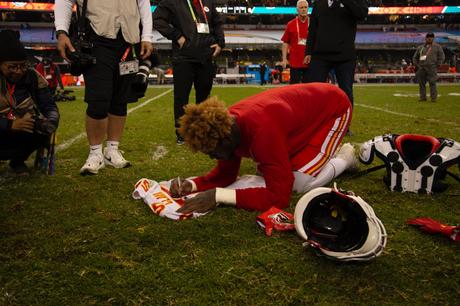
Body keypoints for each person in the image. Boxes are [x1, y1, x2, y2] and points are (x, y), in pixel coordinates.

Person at [169, 83, 358, 213]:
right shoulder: (226, 128)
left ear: (224, 140)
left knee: (299, 183)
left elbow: (279, 197)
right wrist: (193, 185)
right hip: (299, 119)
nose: (212, 157)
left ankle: (345, 157)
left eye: (211, 152)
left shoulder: (261, 131)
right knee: (270, 172)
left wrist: (219, 196)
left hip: (333, 109)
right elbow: (226, 175)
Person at [54, 0, 154, 175]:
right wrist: (61, 32)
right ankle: (95, 153)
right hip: (96, 38)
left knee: (120, 100)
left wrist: (146, 36)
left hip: (128, 40)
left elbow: (143, 3)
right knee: (98, 100)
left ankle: (112, 150)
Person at [153, 0, 225, 145]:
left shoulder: (208, 1)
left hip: (206, 55)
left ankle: (203, 131)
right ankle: (181, 133)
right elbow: (157, 19)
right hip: (183, 56)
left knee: (204, 96)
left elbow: (217, 23)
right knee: (181, 96)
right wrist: (177, 36)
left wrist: (220, 43)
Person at [0, 30, 59, 175]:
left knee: (41, 129)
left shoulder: (32, 76)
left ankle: (18, 161)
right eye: (12, 66)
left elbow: (49, 106)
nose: (19, 71)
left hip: (22, 127)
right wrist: (10, 124)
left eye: (23, 65)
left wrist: (50, 122)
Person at [304, 0, 368, 130]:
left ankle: (345, 126)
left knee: (346, 92)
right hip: (320, 55)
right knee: (314, 91)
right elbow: (313, 29)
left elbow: (362, 14)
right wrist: (308, 52)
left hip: (345, 55)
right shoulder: (319, 3)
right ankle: (313, 125)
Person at [281, 0, 309, 84]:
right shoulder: (291, 24)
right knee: (294, 88)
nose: (303, 9)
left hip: (309, 62)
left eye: (305, 7)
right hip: (295, 63)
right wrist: (284, 59)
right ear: (297, 10)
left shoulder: (313, 23)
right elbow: (285, 42)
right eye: (301, 7)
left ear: (308, 9)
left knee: (309, 89)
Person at [412, 33, 445, 102]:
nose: (429, 38)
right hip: (421, 68)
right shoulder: (421, 47)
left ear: (433, 38)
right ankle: (422, 97)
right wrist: (417, 65)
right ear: (425, 38)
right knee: (421, 84)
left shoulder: (437, 47)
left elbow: (441, 56)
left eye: (431, 37)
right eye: (428, 37)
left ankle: (433, 98)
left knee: (432, 83)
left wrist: (438, 64)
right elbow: (415, 57)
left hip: (432, 67)